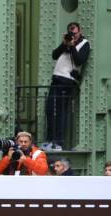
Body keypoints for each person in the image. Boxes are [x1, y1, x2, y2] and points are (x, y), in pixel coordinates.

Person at [43, 22, 90, 152]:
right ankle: (49, 140)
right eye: (71, 33)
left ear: (80, 31)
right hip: (56, 79)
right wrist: (64, 44)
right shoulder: (66, 43)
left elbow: (79, 60)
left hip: (67, 81)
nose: (72, 35)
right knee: (50, 110)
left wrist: (73, 46)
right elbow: (54, 55)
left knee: (61, 113)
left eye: (74, 33)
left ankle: (58, 142)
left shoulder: (84, 44)